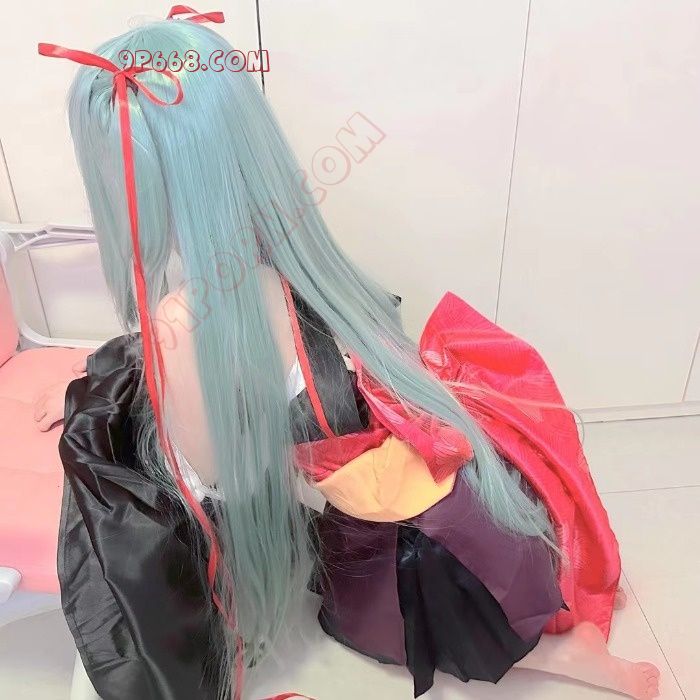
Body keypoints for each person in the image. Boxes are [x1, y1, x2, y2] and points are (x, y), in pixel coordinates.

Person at [39, 9, 659, 700]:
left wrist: (108, 419)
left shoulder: (188, 315)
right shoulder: (277, 264)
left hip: (420, 550)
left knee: (114, 522)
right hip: (431, 491)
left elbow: (212, 488)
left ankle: (562, 653)